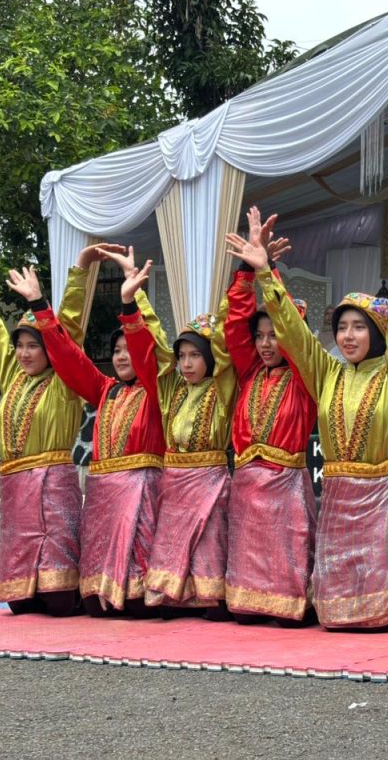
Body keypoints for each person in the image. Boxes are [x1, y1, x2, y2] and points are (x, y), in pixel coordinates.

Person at [226, 205, 388, 631]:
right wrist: (265, 273)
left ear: (376, 335)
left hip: (382, 493)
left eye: (359, 327)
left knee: (379, 616)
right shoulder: (325, 372)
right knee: (333, 617)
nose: (347, 335)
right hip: (340, 496)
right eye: (342, 327)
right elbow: (291, 331)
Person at [10, 247, 163, 618]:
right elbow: (66, 354)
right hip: (101, 500)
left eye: (128, 349)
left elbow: (147, 353)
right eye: (116, 350)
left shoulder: (159, 389)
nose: (122, 356)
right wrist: (40, 305)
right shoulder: (103, 389)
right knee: (95, 605)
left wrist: (130, 305)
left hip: (140, 497)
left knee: (137, 603)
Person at [96, 247, 236, 620]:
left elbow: (226, 340)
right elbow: (154, 342)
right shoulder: (171, 390)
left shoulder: (222, 388)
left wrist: (247, 275)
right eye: (183, 356)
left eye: (195, 355)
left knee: (209, 544)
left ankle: (211, 597)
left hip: (209, 479)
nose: (187, 363)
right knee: (173, 548)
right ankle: (178, 596)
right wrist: (133, 298)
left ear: (211, 358)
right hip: (174, 484)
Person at [0, 254, 90, 616]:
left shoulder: (64, 380)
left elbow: (71, 330)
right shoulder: (13, 374)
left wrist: (78, 272)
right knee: (21, 603)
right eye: (21, 346)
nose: (24, 353)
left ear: (50, 349)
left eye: (34, 345)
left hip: (52, 484)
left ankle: (79, 589)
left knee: (60, 601)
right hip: (16, 486)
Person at [223, 209, 318, 626]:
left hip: (285, 484)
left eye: (272, 336)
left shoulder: (304, 375)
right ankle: (248, 600)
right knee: (245, 606)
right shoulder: (248, 372)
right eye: (259, 336)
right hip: (246, 483)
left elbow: (291, 330)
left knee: (287, 553)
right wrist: (246, 272)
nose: (265, 344)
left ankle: (290, 602)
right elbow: (233, 326)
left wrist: (268, 274)